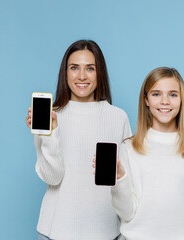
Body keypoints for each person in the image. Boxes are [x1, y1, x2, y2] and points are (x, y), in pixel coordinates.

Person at [26, 40, 131, 240]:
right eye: (74, 68)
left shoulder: (119, 117)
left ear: (99, 72)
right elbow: (52, 177)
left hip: (107, 232)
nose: (82, 76)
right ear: (65, 73)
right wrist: (50, 135)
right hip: (55, 231)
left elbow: (125, 182)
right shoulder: (50, 116)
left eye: (90, 68)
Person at [105, 67, 184, 240]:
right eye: (156, 94)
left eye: (173, 94)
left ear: (181, 101)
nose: (165, 101)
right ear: (146, 100)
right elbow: (126, 213)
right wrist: (119, 180)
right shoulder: (129, 148)